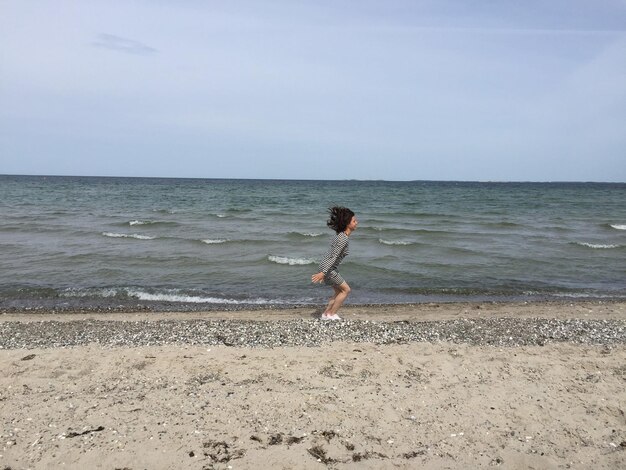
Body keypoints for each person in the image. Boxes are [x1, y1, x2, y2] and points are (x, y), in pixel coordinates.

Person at [311, 206, 358, 320]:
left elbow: (332, 255)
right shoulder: (343, 238)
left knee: (338, 291)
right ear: (347, 224)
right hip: (329, 268)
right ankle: (332, 314)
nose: (357, 222)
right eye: (354, 221)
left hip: (327, 266)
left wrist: (323, 270)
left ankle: (326, 314)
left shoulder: (341, 236)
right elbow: (334, 256)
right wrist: (324, 272)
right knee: (346, 290)